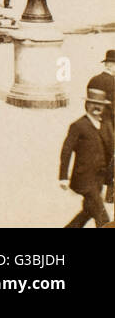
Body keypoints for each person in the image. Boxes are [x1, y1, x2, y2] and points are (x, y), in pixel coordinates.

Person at [58, 87, 113, 227]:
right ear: (87, 105)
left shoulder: (106, 125)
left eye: (100, 104)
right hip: (84, 179)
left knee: (88, 211)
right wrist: (63, 176)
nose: (96, 107)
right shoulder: (78, 126)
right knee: (102, 217)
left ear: (104, 107)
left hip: (100, 178)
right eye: (93, 103)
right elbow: (66, 151)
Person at [88, 50, 115, 135]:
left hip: (92, 122)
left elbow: (88, 103)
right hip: (109, 124)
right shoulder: (112, 82)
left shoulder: (93, 79)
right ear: (110, 66)